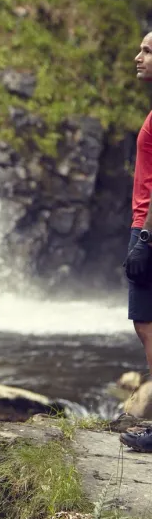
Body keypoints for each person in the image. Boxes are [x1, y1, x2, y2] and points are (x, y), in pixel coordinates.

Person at [119, 31, 152, 451]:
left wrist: (144, 237)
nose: (137, 57)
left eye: (147, 51)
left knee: (147, 324)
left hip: (148, 226)